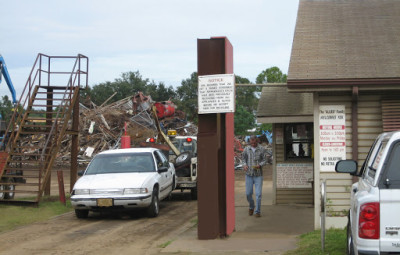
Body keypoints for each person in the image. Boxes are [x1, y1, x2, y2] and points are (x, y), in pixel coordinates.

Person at [242, 135, 267, 217]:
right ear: (249, 142)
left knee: (258, 194)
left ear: (257, 141)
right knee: (248, 194)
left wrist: (260, 165)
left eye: (254, 142)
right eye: (251, 142)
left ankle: (257, 212)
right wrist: (244, 165)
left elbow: (265, 160)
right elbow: (243, 159)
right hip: (249, 174)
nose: (253, 144)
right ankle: (251, 206)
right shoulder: (246, 149)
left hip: (258, 175)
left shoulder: (262, 149)